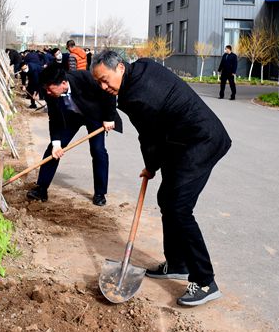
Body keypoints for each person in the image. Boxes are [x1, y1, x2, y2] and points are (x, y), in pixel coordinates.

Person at [91, 50, 232, 307]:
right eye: (99, 82)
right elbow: (156, 130)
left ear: (120, 68)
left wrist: (151, 166)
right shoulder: (142, 67)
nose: (103, 86)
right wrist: (153, 164)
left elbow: (149, 137)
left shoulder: (137, 97)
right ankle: (177, 262)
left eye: (105, 79)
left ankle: (204, 281)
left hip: (201, 140)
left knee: (179, 207)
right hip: (179, 140)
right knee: (166, 198)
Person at [27, 64, 121, 205]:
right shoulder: (51, 94)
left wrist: (109, 117)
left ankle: (100, 193)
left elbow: (108, 93)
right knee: (53, 149)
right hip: (71, 117)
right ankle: (41, 188)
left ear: (63, 83)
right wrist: (56, 144)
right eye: (45, 88)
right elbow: (54, 118)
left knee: (98, 151)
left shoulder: (85, 77)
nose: (47, 92)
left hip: (94, 116)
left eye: (50, 88)